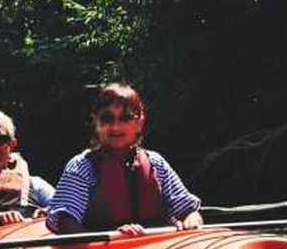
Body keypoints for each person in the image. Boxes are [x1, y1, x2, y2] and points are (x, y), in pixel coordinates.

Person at [46, 83, 203, 235]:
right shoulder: (81, 166)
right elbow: (65, 224)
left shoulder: (156, 163)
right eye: (107, 118)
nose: (116, 127)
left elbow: (189, 211)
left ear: (139, 123)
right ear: (96, 122)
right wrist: (114, 241)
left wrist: (192, 220)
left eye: (125, 118)